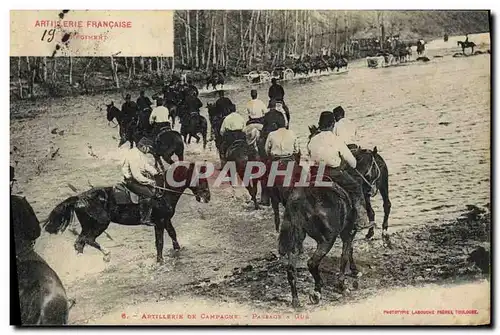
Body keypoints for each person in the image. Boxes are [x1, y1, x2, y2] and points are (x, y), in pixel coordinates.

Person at [307, 111, 368, 231]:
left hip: (316, 175)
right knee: (355, 187)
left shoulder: (312, 141)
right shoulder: (336, 139)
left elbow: (306, 160)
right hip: (333, 173)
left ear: (320, 124)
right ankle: (361, 220)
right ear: (332, 124)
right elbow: (353, 163)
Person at [122, 138, 166, 226]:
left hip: (138, 178)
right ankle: (144, 218)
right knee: (149, 194)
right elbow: (137, 176)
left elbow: (146, 165)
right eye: (148, 148)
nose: (149, 150)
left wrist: (156, 173)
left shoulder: (140, 153)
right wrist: (150, 181)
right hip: (132, 180)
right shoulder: (133, 155)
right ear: (142, 147)